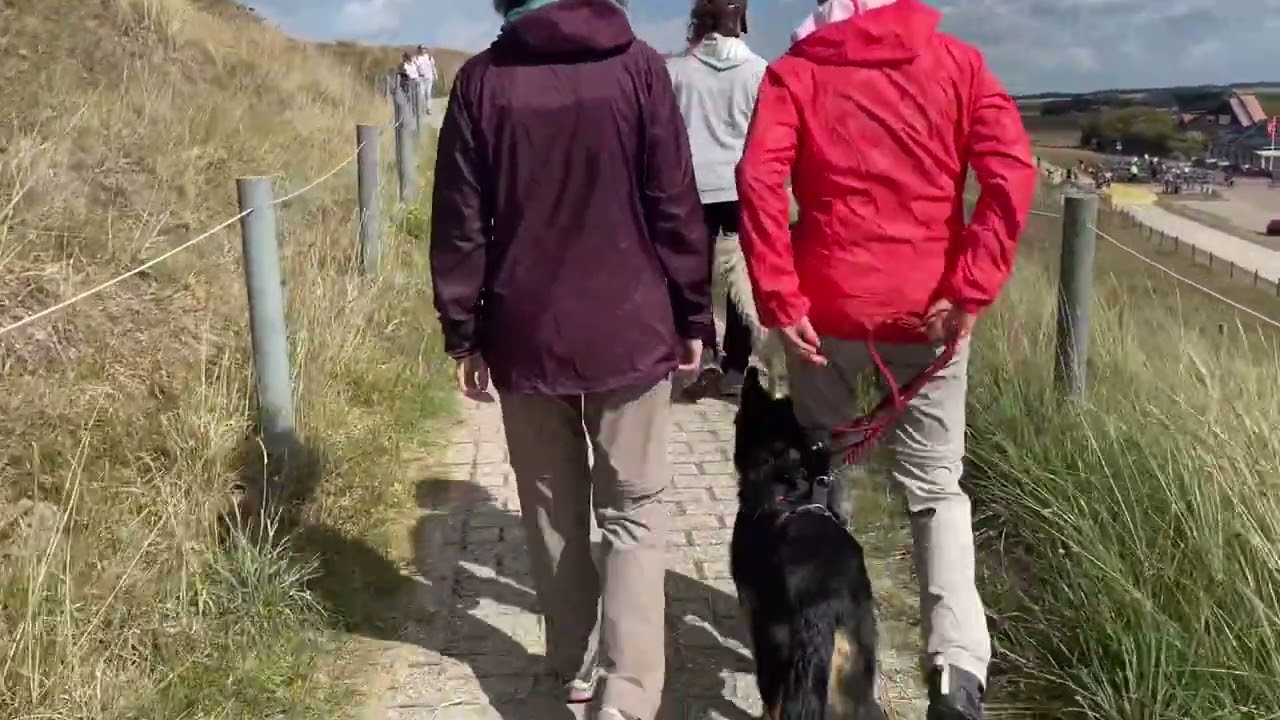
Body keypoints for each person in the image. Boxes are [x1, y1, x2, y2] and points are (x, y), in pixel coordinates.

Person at [735, 1, 1037, 719]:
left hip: (826, 307)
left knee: (822, 471)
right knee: (936, 488)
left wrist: (781, 299)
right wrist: (971, 289)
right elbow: (1011, 174)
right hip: (926, 307)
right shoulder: (961, 66)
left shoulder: (796, 73)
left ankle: (828, 640)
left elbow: (757, 182)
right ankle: (958, 671)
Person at [429, 1, 710, 718]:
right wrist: (691, 313)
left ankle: (574, 665)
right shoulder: (640, 68)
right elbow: (674, 200)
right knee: (635, 512)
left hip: (526, 330)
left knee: (551, 509)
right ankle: (629, 696)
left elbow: (461, 220)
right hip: (632, 325)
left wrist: (463, 331)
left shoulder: (482, 82)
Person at [666, 0, 766, 400]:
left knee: (695, 277)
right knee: (740, 280)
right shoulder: (760, 71)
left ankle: (703, 351)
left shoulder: (675, 71)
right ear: (740, 19)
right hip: (743, 187)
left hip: (690, 187)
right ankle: (737, 367)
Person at [398, 50, 422, 128]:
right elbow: (406, 74)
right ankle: (414, 113)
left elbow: (415, 72)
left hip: (415, 82)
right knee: (411, 98)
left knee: (416, 98)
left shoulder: (412, 64)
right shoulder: (404, 65)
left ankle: (416, 113)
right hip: (410, 82)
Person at [413, 45, 437, 115]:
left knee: (428, 93)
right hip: (420, 79)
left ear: (425, 50)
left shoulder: (429, 58)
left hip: (429, 78)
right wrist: (416, 77)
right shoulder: (416, 58)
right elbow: (414, 68)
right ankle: (421, 108)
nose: (422, 50)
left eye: (424, 49)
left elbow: (433, 67)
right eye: (421, 49)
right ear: (418, 50)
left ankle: (428, 109)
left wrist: (435, 75)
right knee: (421, 94)